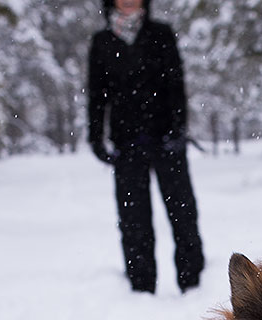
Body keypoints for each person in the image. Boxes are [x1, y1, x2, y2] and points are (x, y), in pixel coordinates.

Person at [87, 0, 205, 294]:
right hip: (126, 145)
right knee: (133, 220)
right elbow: (97, 96)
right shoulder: (102, 42)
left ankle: (193, 283)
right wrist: (96, 138)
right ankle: (140, 287)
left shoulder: (160, 34)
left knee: (183, 213)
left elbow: (176, 84)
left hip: (167, 141)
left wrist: (178, 130)